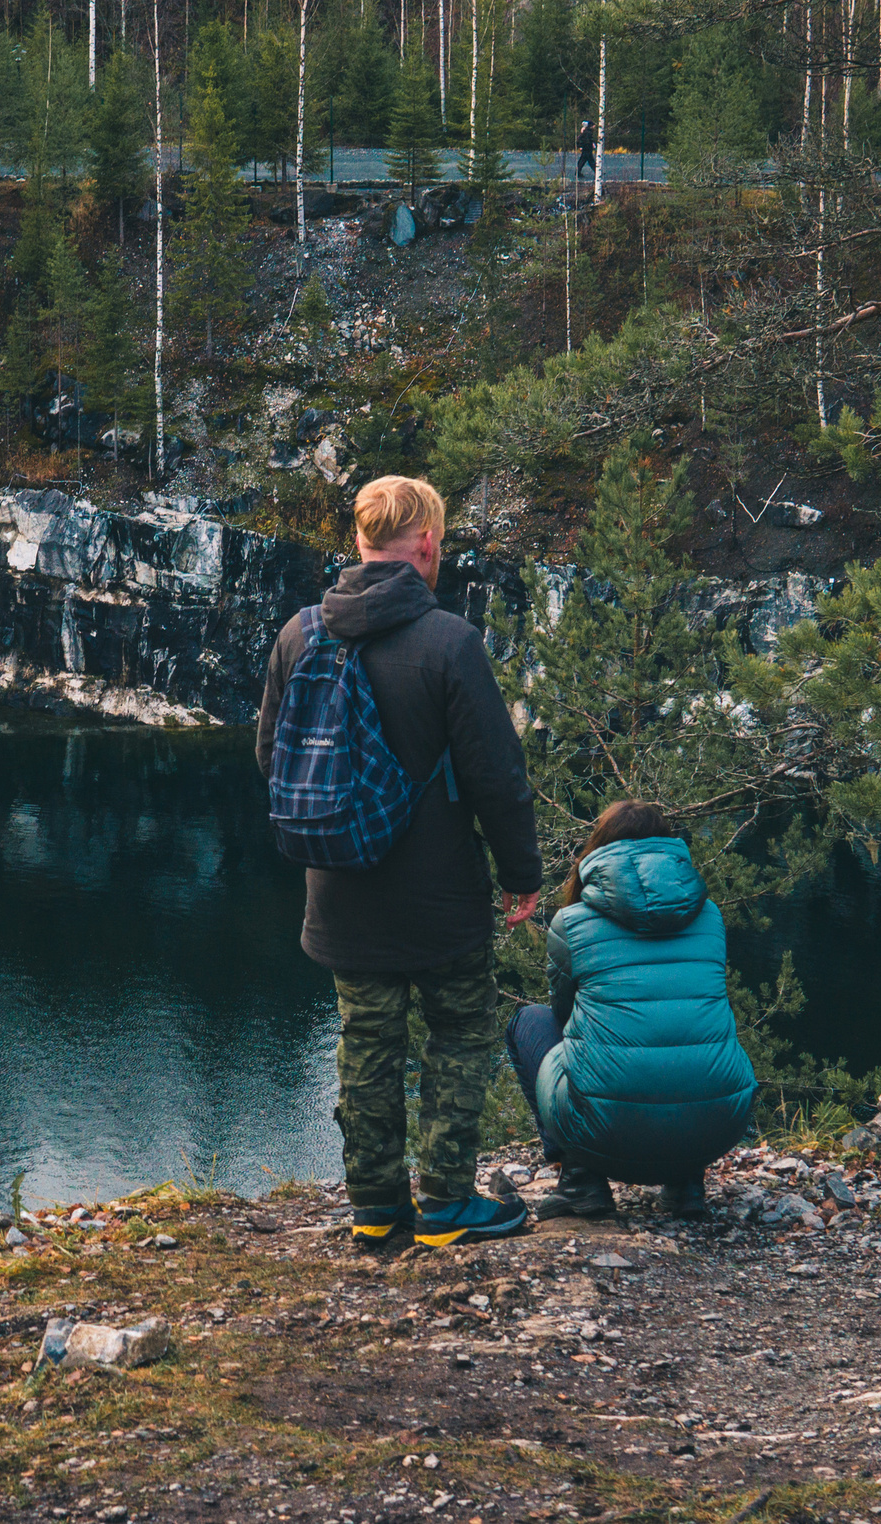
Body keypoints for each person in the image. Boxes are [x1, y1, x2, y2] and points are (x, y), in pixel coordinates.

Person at [256, 476, 546, 1249]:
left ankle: (376, 1208)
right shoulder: (449, 642)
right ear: (425, 544)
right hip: (440, 896)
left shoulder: (299, 634)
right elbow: (496, 777)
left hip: (342, 893)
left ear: (359, 542)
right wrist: (522, 874)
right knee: (458, 1036)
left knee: (366, 1044)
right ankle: (447, 1204)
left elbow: (270, 758)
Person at [505, 800, 756, 1221]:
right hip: (717, 1128)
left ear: (600, 850)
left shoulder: (571, 923)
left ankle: (581, 1179)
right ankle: (687, 1184)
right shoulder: (709, 916)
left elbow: (565, 1022)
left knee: (529, 1022)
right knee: (691, 1034)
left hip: (608, 1132)